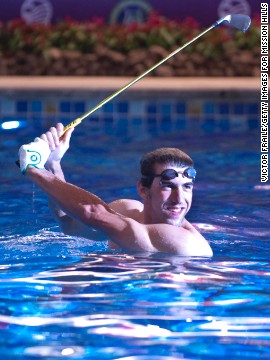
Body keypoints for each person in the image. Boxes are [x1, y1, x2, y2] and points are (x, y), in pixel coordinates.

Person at [18, 123, 213, 257]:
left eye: (187, 187)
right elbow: (68, 224)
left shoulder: (183, 242)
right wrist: (53, 164)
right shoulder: (127, 210)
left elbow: (92, 213)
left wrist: (34, 168)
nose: (179, 199)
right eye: (168, 186)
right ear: (143, 190)